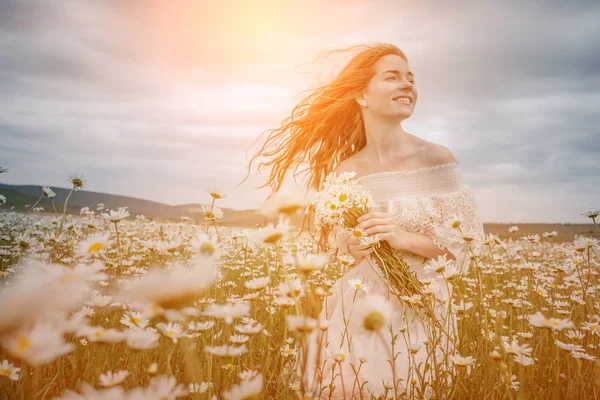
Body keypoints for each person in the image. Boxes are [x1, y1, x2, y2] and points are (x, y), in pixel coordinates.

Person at [241, 43, 486, 399]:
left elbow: (466, 251)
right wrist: (354, 245)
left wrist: (403, 238)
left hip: (422, 305)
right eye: (392, 77)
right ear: (361, 94)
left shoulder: (436, 158)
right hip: (356, 299)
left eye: (411, 79)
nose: (407, 85)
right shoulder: (347, 171)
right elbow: (348, 245)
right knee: (344, 387)